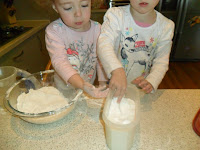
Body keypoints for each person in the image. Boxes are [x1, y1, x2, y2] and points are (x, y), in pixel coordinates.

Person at [97, 0, 175, 101]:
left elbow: (161, 60)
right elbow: (104, 44)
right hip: (114, 81)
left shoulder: (166, 26)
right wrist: (116, 69)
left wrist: (152, 80)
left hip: (140, 87)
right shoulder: (116, 15)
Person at [45, 0, 108, 98]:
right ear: (55, 7)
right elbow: (60, 61)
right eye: (68, 8)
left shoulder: (97, 29)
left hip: (87, 88)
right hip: (63, 91)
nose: (78, 14)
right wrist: (82, 84)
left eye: (84, 5)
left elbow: (102, 58)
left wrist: (102, 83)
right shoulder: (55, 31)